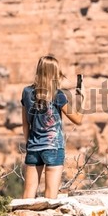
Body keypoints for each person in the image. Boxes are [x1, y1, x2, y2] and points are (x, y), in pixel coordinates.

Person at [21, 55, 84, 199]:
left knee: (28, 194)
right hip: (53, 148)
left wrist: (29, 144)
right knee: (50, 196)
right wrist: (83, 99)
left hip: (33, 147)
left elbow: (25, 124)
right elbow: (78, 120)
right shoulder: (58, 95)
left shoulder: (27, 92)